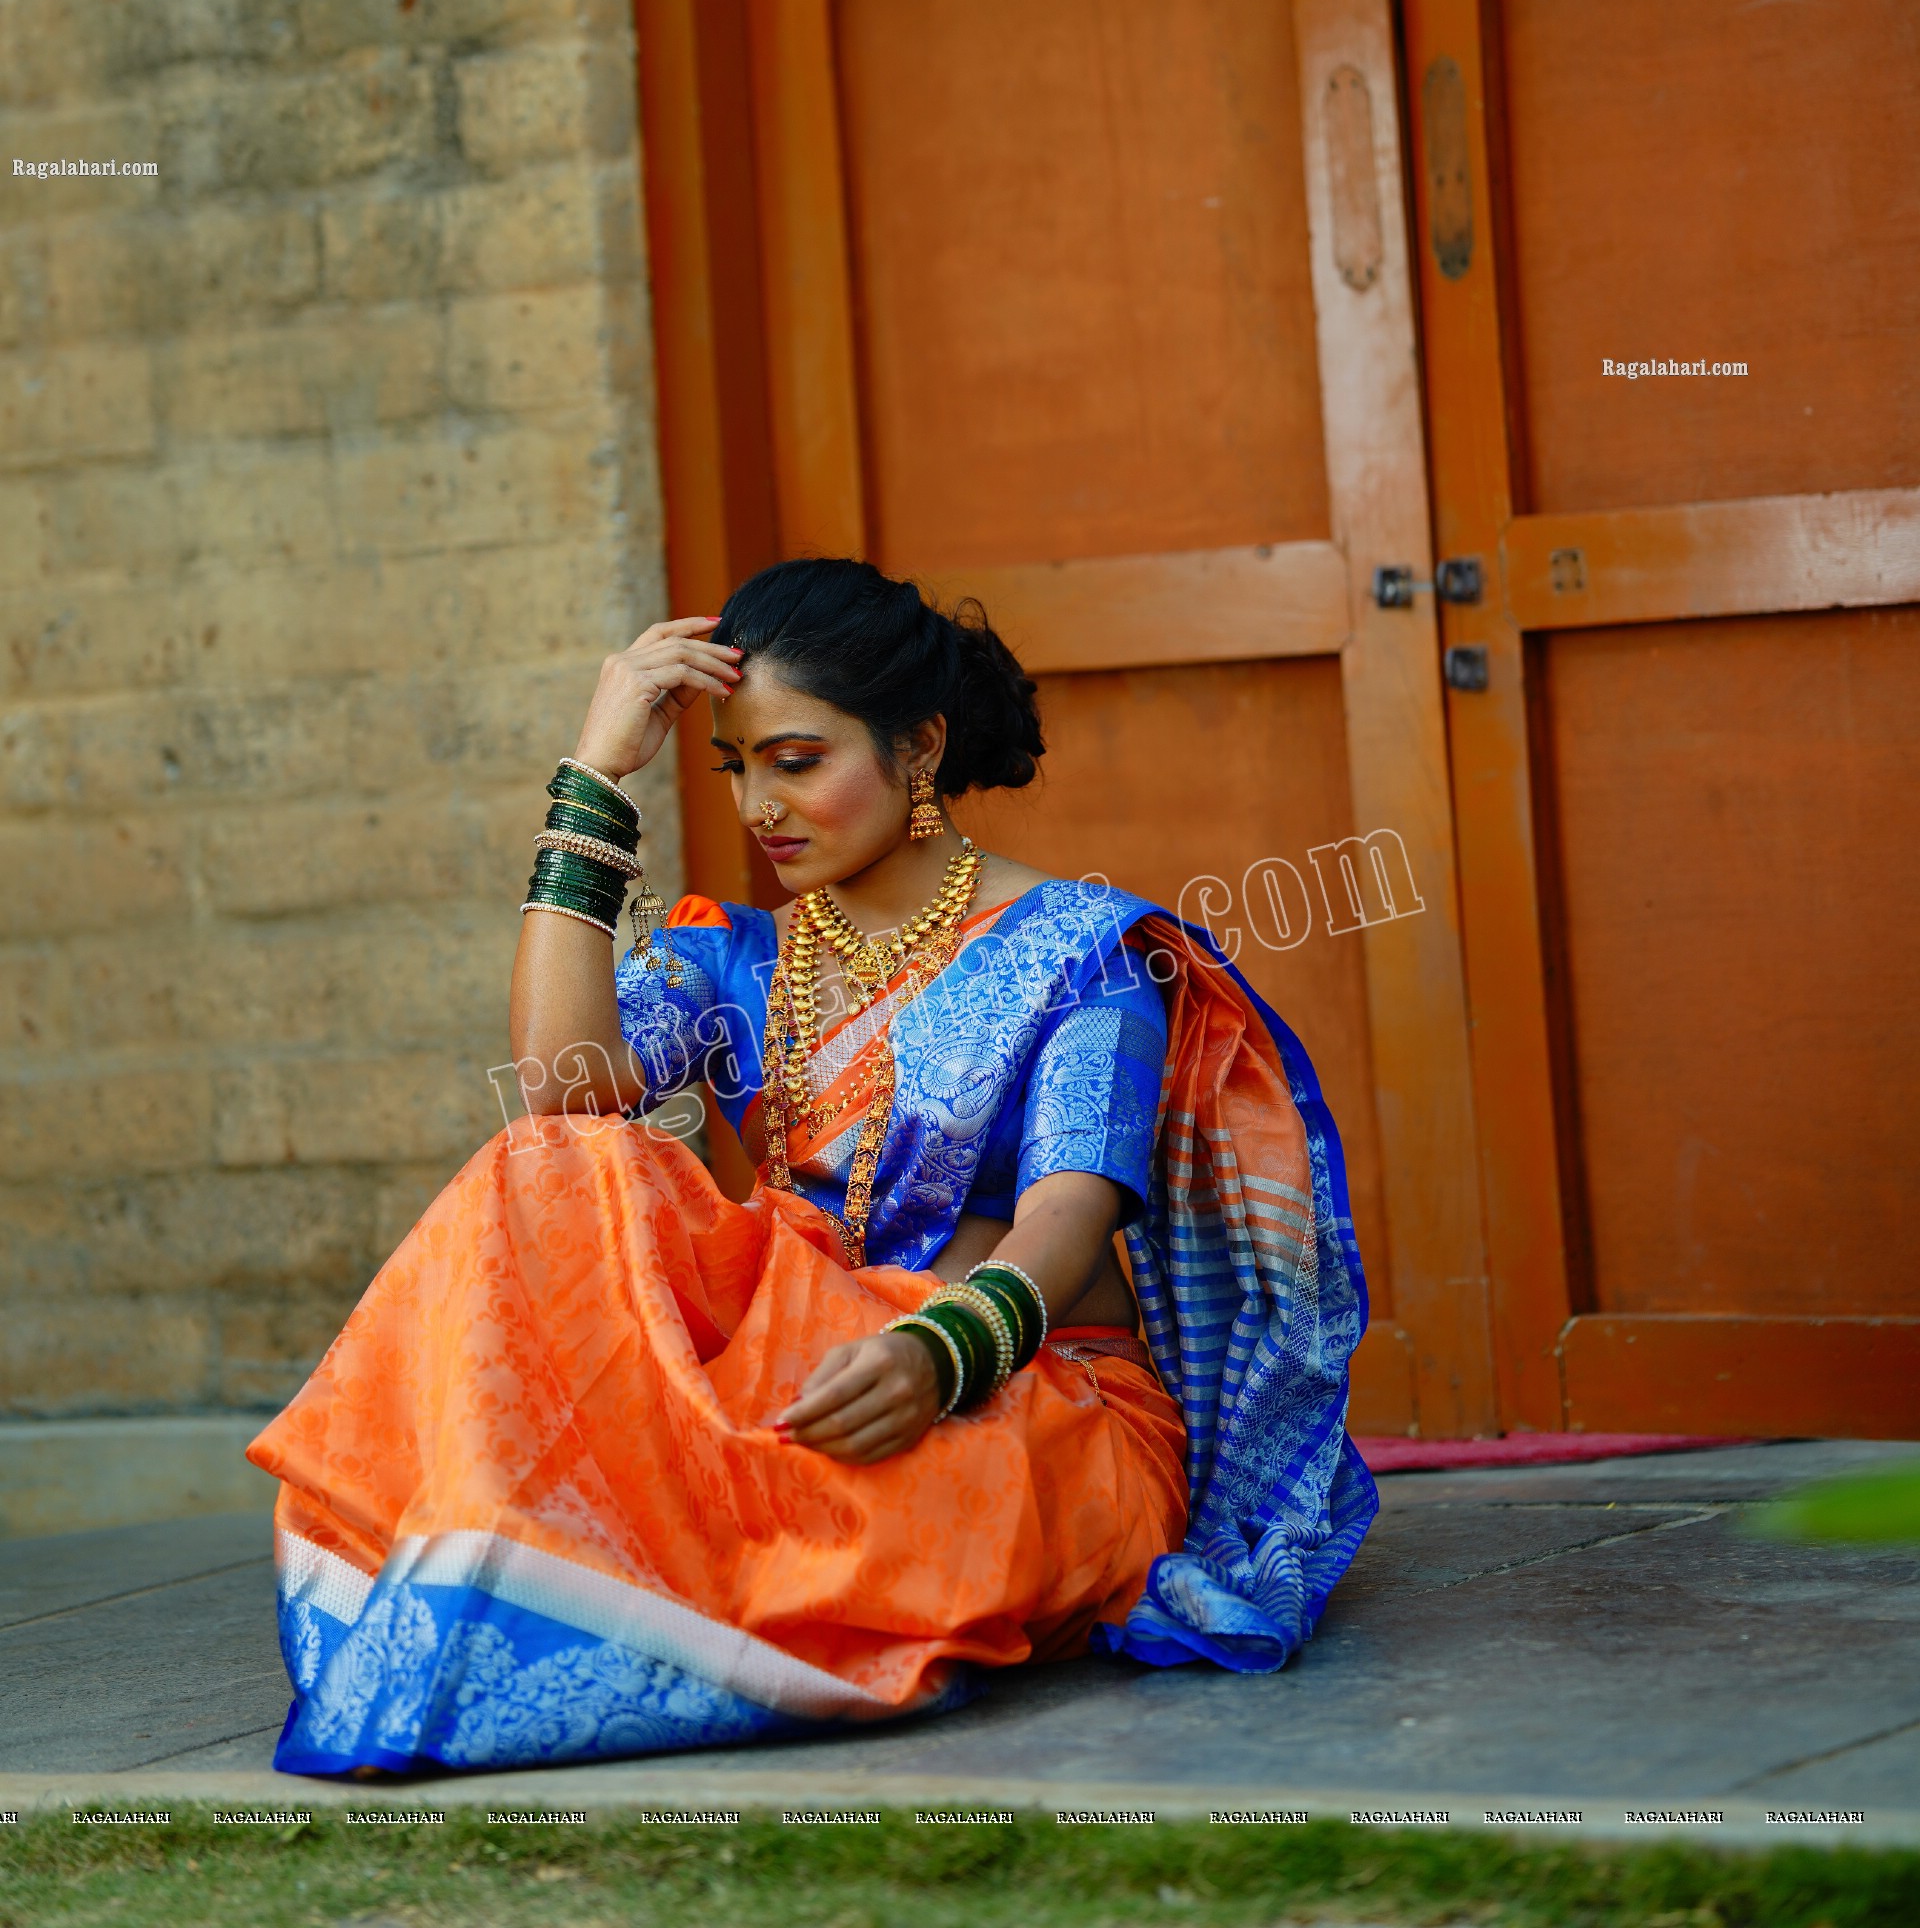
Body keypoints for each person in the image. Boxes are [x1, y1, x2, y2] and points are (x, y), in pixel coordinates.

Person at [249, 560, 1377, 1774]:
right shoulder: (736, 960)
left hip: (1025, 1387)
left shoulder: (1081, 952)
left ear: (920, 747)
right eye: (736, 768)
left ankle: (611, 1596)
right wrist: (594, 777)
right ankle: (541, 1588)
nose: (759, 809)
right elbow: (563, 1093)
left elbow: (1068, 1211)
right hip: (809, 1378)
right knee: (562, 1167)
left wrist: (941, 1349)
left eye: (796, 761)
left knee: (871, 1528)